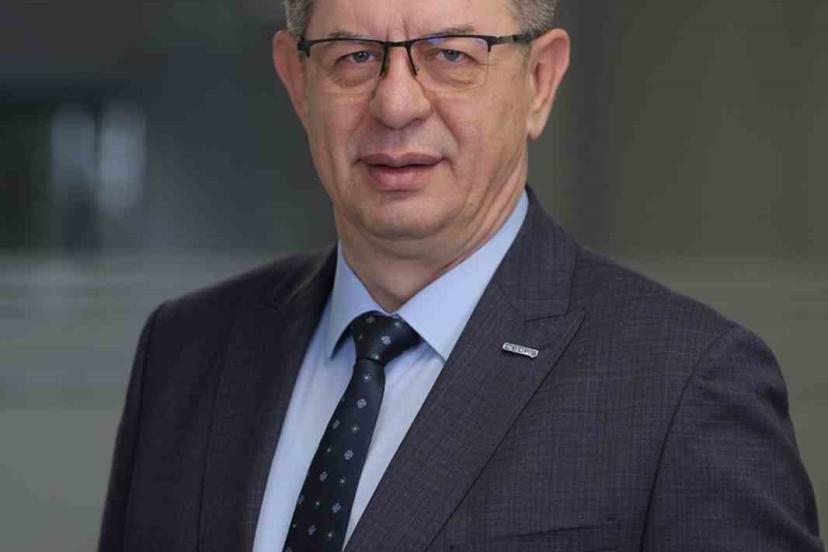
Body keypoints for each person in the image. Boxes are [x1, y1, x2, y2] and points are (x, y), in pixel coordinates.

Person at [98, 0, 825, 550]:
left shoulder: (683, 383)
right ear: (298, 82)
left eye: (451, 54)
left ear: (539, 81)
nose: (396, 104)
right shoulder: (186, 350)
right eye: (355, 56)